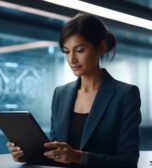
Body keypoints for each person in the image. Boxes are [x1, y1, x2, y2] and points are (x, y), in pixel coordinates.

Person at [7, 13, 142, 168]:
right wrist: (27, 154)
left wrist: (78, 157)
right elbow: (57, 154)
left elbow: (128, 162)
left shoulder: (125, 94)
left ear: (102, 47)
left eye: (79, 50)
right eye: (66, 51)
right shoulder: (60, 94)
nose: (72, 59)